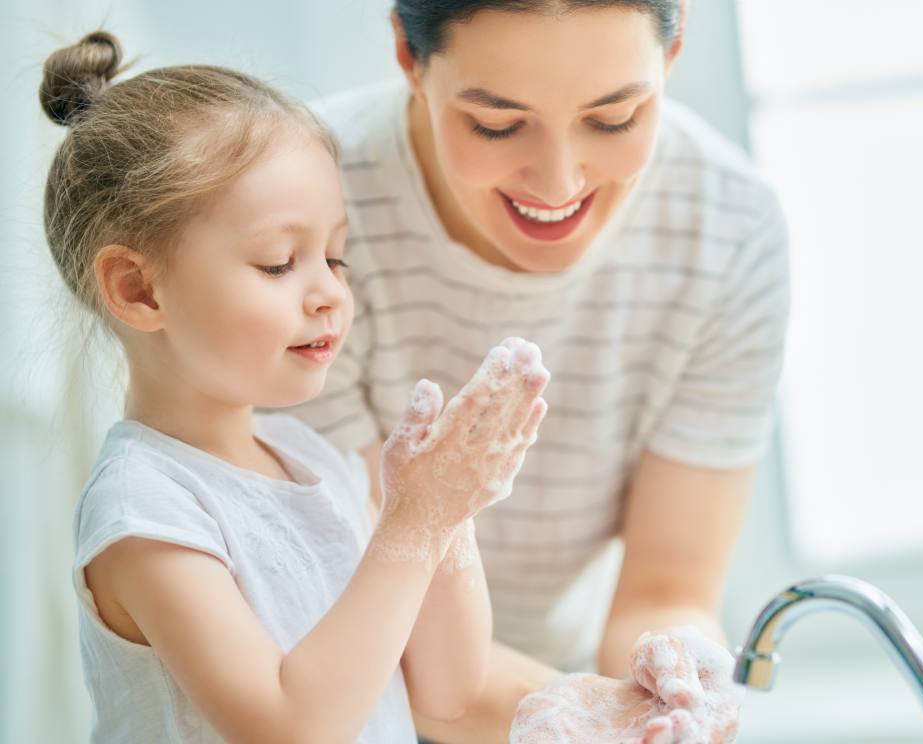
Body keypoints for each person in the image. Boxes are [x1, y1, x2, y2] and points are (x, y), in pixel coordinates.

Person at [283, 1, 791, 741]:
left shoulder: (730, 230)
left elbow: (664, 590)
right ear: (407, 55)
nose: (558, 183)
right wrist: (584, 717)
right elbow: (368, 621)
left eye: (614, 117)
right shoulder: (302, 210)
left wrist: (672, 694)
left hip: (552, 688)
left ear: (673, 50)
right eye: (496, 124)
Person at [41, 31, 550, 742]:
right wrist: (413, 525)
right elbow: (289, 727)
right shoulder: (145, 512)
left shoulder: (305, 457)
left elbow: (448, 686)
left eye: (336, 258)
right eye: (281, 263)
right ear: (138, 289)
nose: (329, 295)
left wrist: (446, 512)